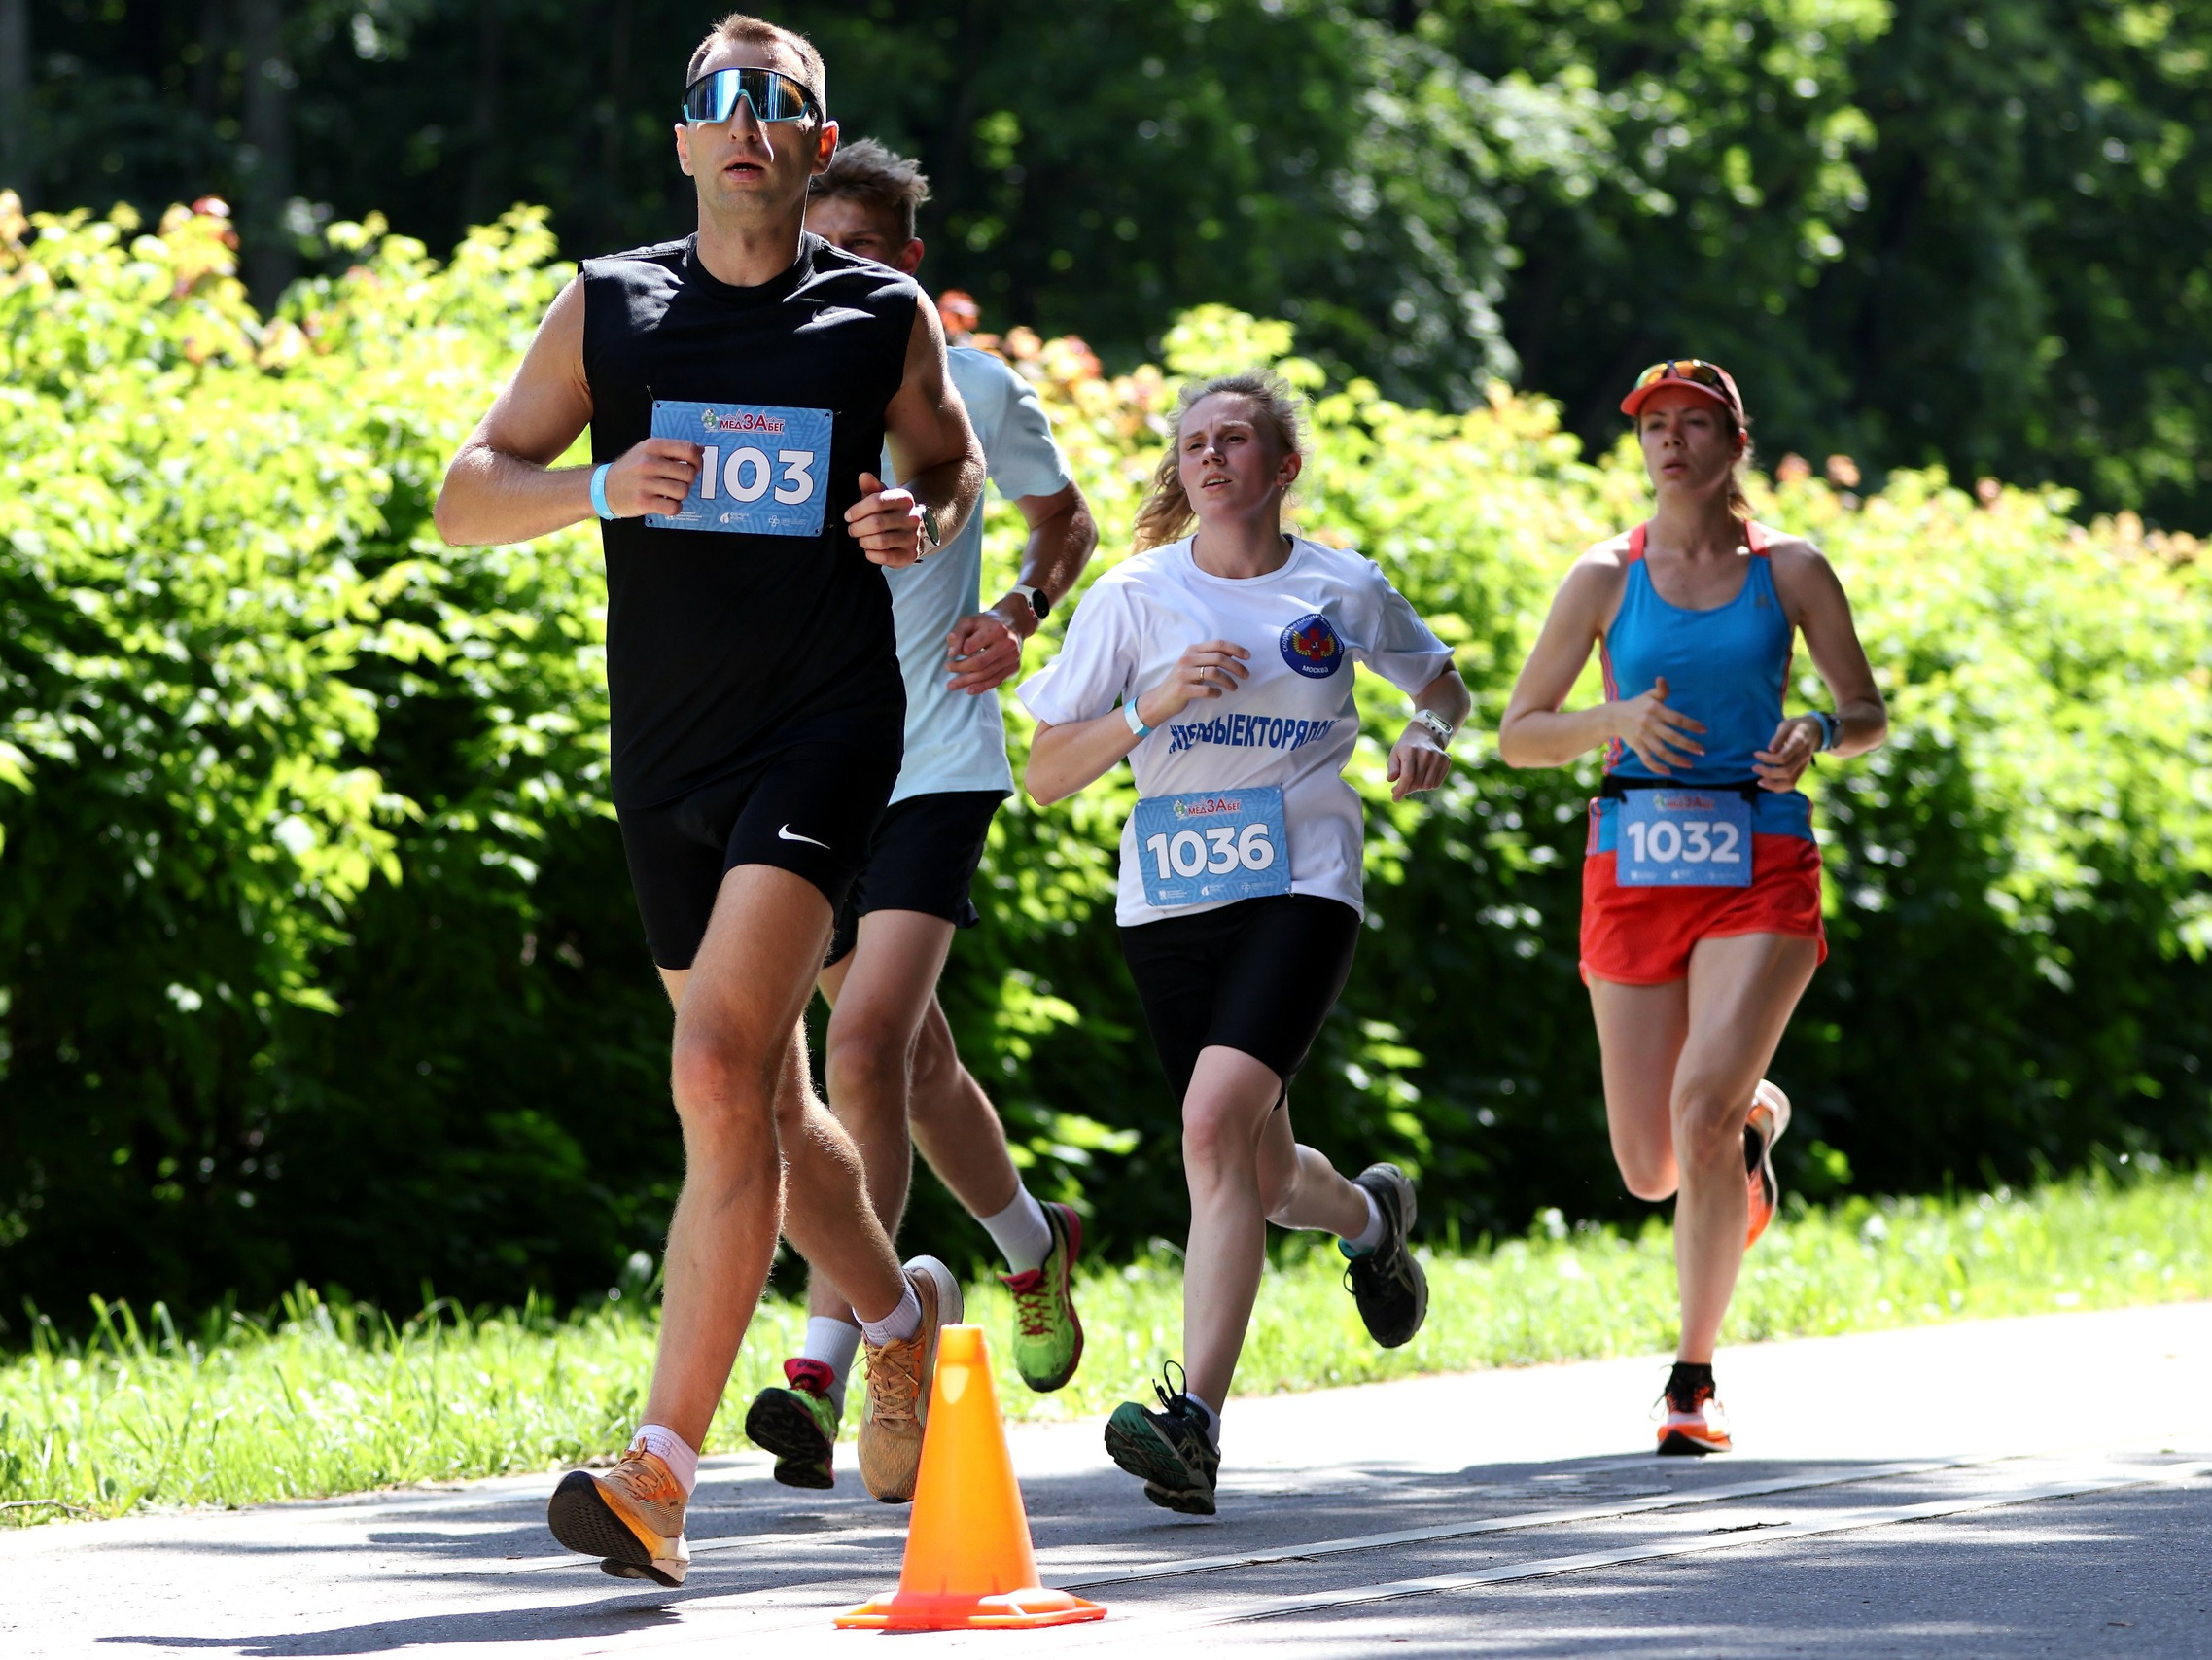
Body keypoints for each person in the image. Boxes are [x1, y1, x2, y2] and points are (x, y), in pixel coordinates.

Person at [430, 17, 985, 1585]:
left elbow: (947, 469)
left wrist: (909, 514)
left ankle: (658, 1472)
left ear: (818, 142)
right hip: (663, 753)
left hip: (821, 732)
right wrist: (597, 486)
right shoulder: (611, 305)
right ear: (682, 141)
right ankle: (895, 1316)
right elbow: (466, 493)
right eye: (720, 103)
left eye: (781, 102)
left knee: (717, 1056)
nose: (749, 123)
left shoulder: (875, 314)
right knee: (773, 1102)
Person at [1015, 371, 1469, 1516]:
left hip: (1303, 885)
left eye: (1234, 440)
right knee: (1259, 1177)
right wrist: (1150, 705)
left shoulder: (1339, 587)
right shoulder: (1130, 599)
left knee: (1210, 1126)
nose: (1211, 459)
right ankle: (1371, 1220)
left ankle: (1194, 1425)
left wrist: (1423, 733)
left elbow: (1443, 687)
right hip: (1169, 902)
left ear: (1283, 467)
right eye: (1194, 444)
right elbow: (1045, 779)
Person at [740, 140, 1101, 1491]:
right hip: (803, 762)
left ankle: (830, 1358)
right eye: (815, 251)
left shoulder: (977, 385)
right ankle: (1028, 1241)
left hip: (936, 757)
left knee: (869, 1040)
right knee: (917, 1062)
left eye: (861, 256)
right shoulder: (768, 378)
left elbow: (1061, 521)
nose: (834, 276)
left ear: (909, 266)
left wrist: (1016, 610)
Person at [1496, 359, 1886, 1456]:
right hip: (1633, 858)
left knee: (1698, 1110)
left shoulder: (1792, 570)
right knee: (1650, 1165)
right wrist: (1608, 717)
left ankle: (1691, 1380)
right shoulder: (1603, 578)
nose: (1670, 442)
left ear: (1734, 445)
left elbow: (1865, 710)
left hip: (1759, 859)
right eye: (1652, 426)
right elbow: (1520, 733)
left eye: (1693, 424)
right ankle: (1756, 1128)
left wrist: (1818, 727)